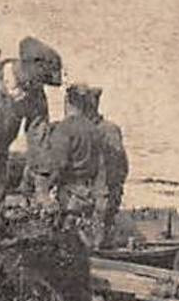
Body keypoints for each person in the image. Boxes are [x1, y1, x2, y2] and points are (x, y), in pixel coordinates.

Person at [0, 36, 61, 234]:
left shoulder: (34, 93)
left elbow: (39, 139)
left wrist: (42, 191)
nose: (38, 86)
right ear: (26, 66)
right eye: (37, 80)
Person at [29, 84, 108, 245]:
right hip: (88, 194)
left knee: (64, 240)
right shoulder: (94, 130)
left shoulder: (64, 129)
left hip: (69, 197)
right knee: (83, 238)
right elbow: (101, 168)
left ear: (67, 102)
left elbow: (58, 165)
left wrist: (43, 191)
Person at [81, 85, 129, 242]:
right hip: (103, 192)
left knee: (97, 234)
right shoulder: (109, 129)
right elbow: (123, 165)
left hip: (100, 192)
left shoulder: (106, 130)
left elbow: (118, 164)